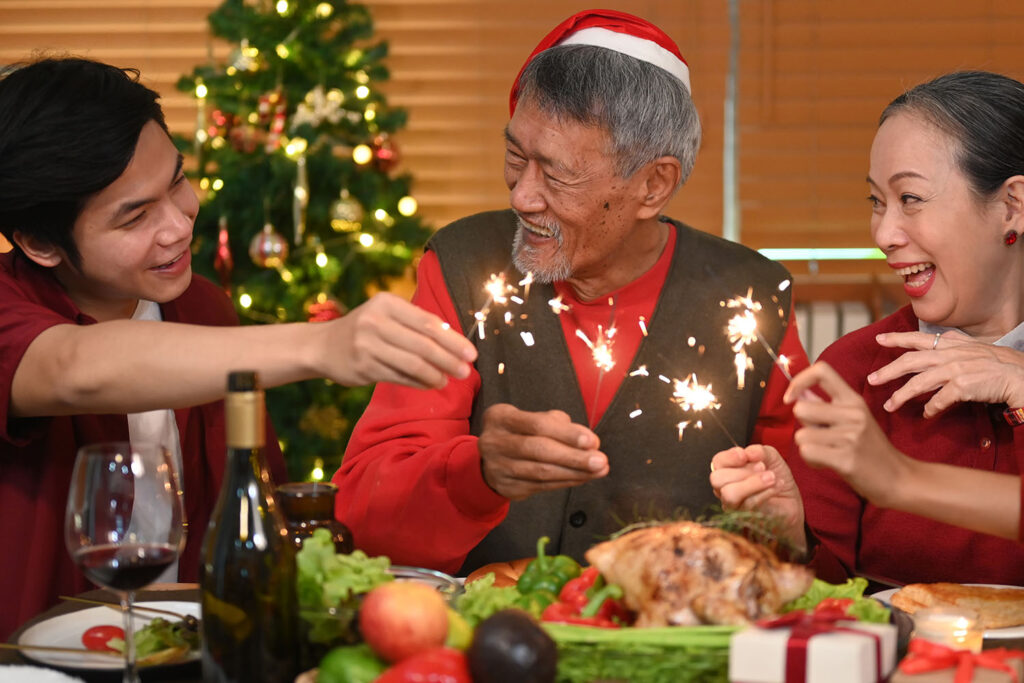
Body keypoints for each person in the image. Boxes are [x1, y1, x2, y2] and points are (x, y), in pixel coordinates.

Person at [0, 57, 477, 639]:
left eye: (175, 182)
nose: (179, 225)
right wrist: (324, 343)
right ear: (39, 243)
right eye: (135, 218)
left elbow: (257, 511)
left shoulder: (202, 308)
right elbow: (72, 367)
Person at [332, 9, 809, 575]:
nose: (523, 196)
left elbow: (800, 540)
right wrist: (476, 474)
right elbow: (363, 509)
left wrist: (781, 531)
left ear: (654, 184)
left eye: (557, 175)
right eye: (516, 157)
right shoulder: (462, 268)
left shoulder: (751, 297)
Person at [711, 70, 1024, 587]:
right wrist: (789, 539)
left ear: (1012, 206)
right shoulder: (856, 371)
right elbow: (828, 596)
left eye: (911, 199)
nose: (883, 233)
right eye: (877, 202)